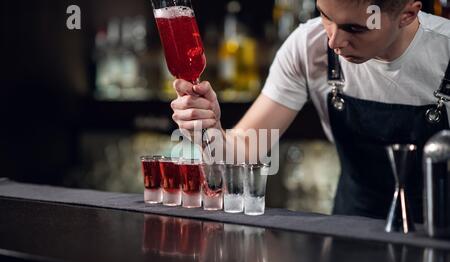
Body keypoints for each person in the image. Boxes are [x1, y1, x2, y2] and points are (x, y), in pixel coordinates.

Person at [169, 0, 450, 222]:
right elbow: (245, 150)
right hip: (352, 226)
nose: (334, 41)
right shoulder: (308, 46)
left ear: (408, 15)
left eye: (355, 28)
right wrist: (209, 129)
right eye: (326, 15)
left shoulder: (444, 50)